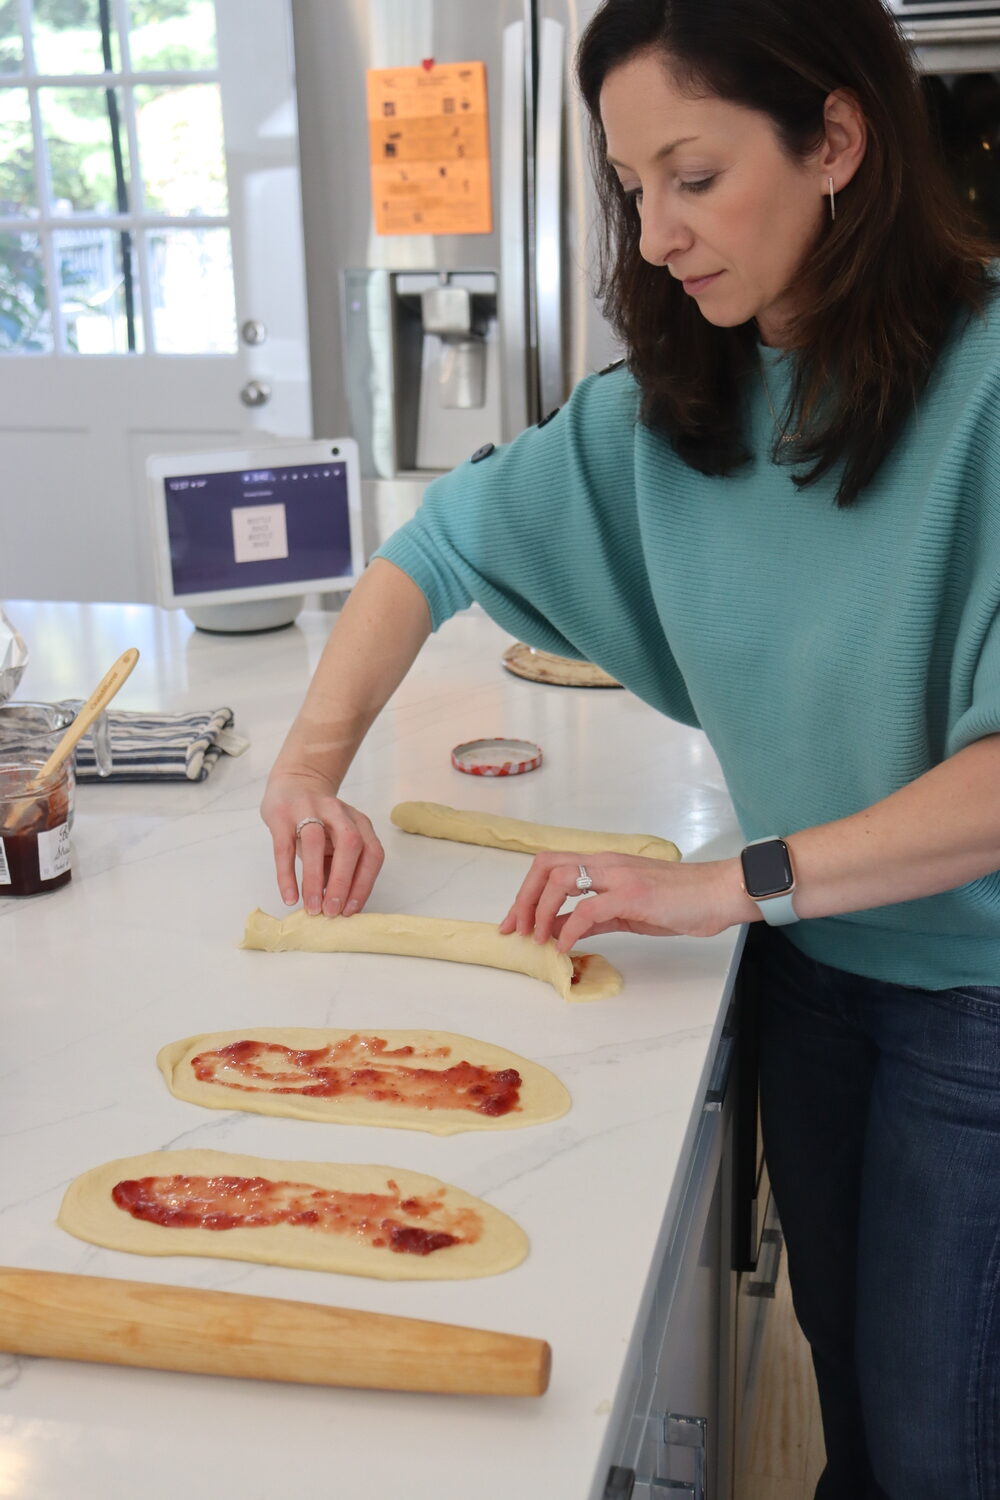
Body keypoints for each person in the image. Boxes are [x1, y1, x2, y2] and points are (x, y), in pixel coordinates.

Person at [262, 1, 1000, 1494]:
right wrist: (307, 766)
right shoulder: (677, 403)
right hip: (816, 976)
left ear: (838, 141)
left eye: (695, 174)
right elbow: (439, 546)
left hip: (976, 1003)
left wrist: (734, 883)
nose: (657, 232)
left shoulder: (986, 386)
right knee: (855, 1402)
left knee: (939, 1444)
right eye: (631, 186)